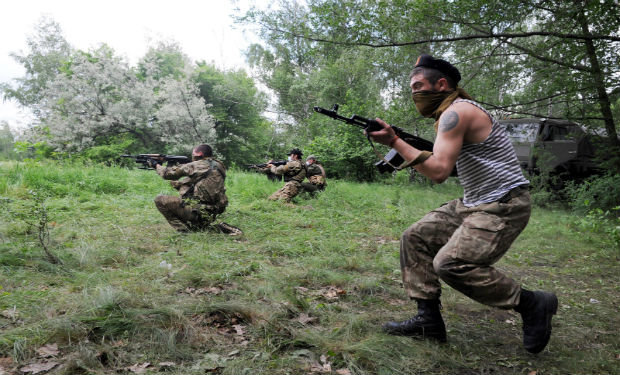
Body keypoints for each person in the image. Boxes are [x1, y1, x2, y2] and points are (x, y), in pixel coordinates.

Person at [368, 54, 557, 353]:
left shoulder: (457, 112)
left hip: (504, 203)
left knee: (450, 263)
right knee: (414, 237)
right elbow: (450, 163)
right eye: (412, 87)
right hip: (475, 202)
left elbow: (439, 171)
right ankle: (427, 321)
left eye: (418, 85)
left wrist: (394, 141)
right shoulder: (450, 114)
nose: (414, 93)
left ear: (441, 84)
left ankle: (532, 303)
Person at [153, 144, 241, 235]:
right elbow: (187, 184)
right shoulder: (219, 165)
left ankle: (184, 231)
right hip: (213, 212)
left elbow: (167, 174)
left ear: (199, 154)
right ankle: (207, 227)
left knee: (160, 199)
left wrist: (156, 165)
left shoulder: (197, 165)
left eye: (193, 155)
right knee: (186, 190)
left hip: (198, 212)